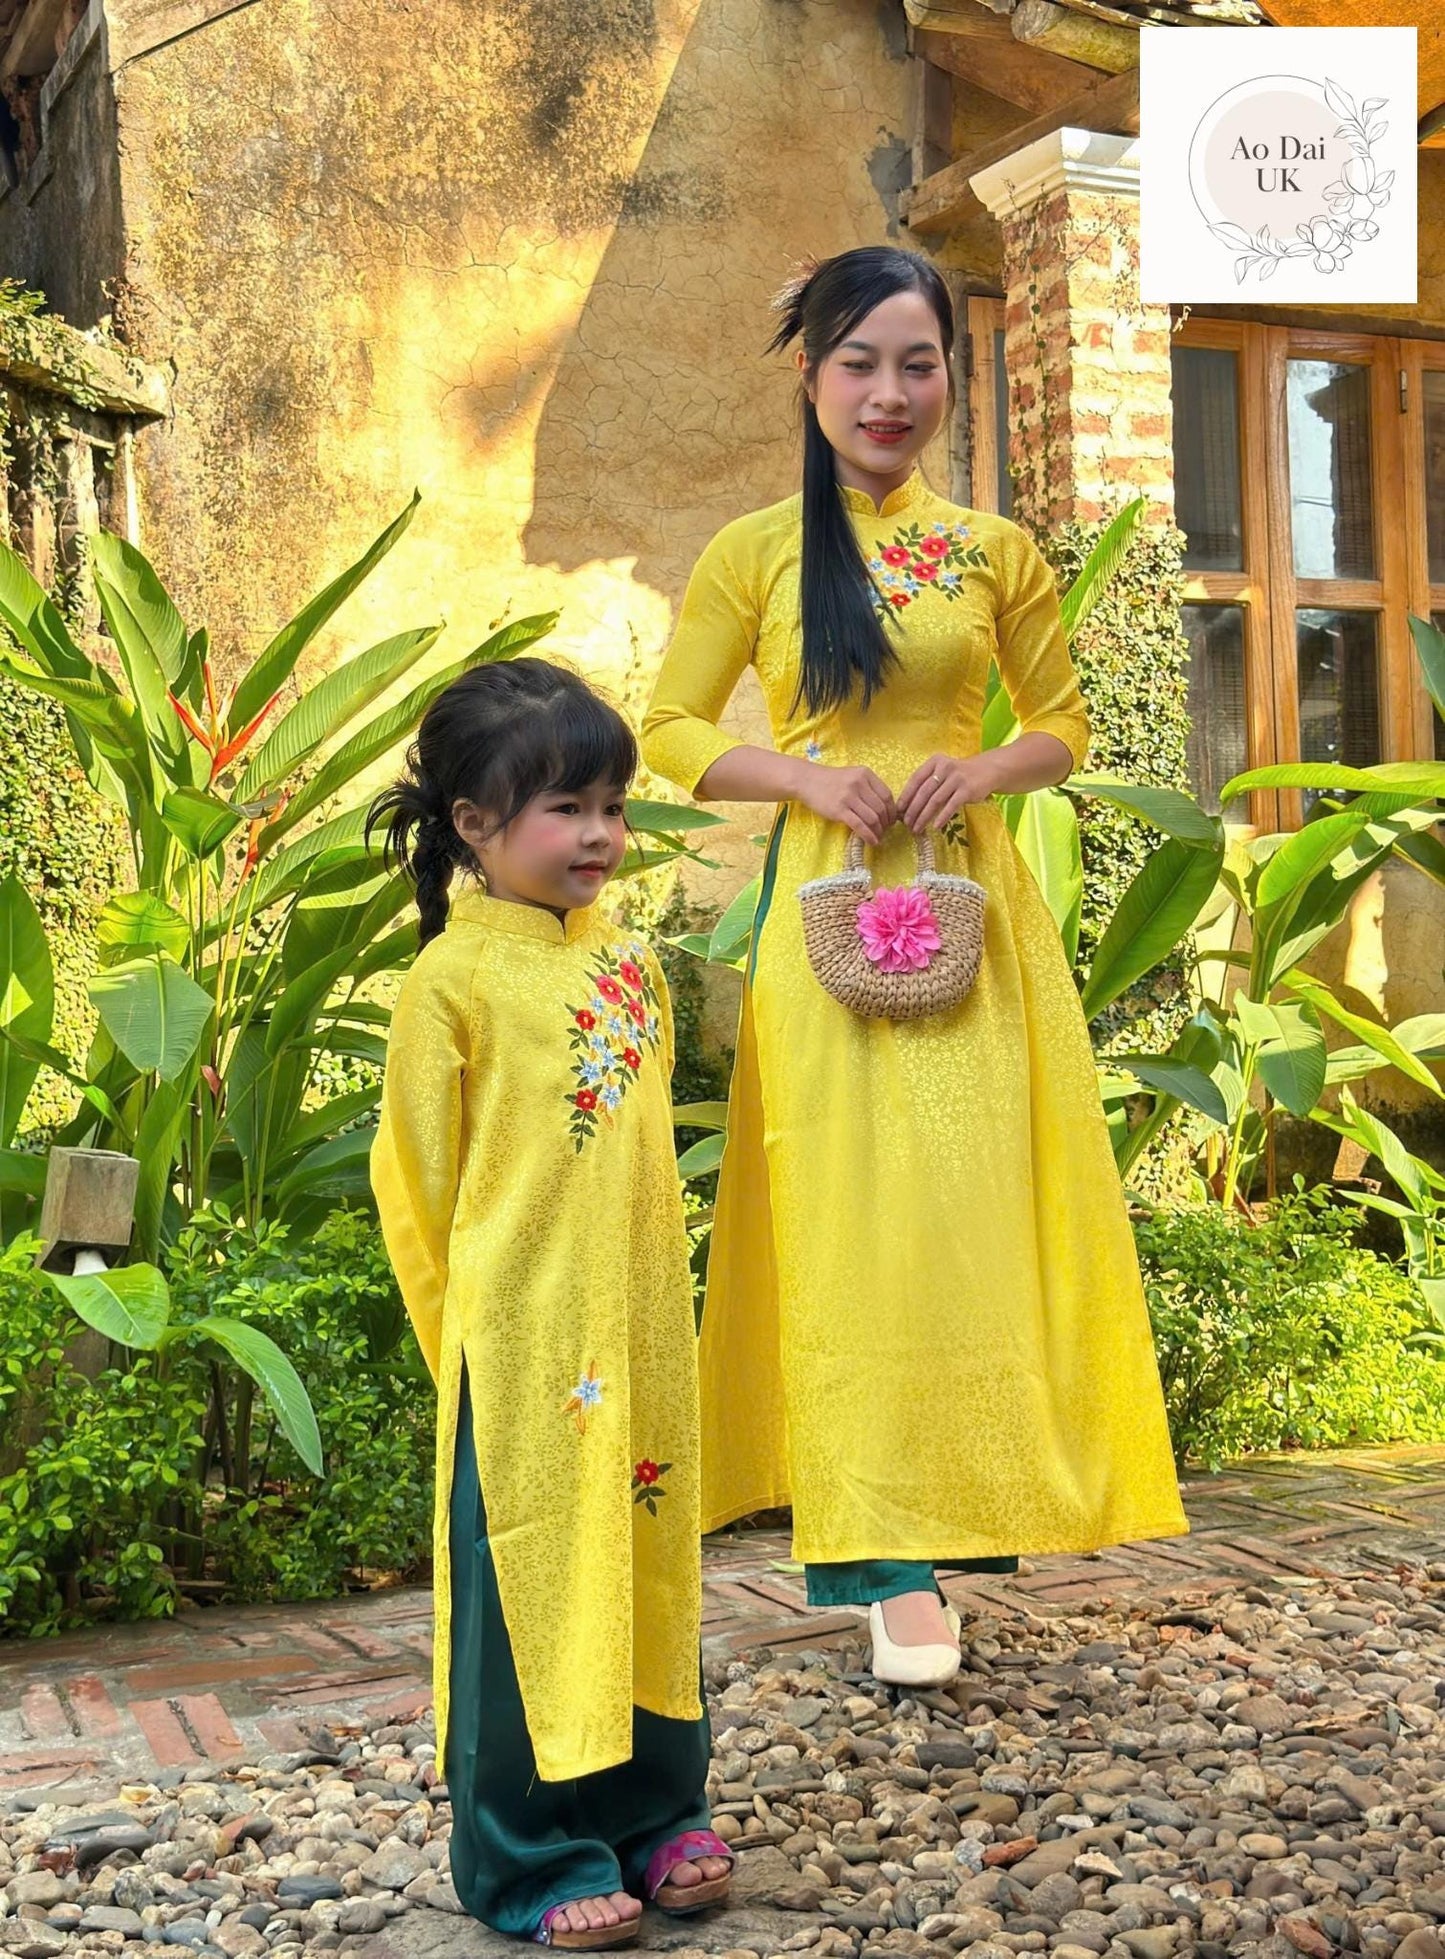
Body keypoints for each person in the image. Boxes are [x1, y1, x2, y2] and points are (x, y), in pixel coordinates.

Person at [641, 246, 1186, 1692]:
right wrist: (805, 779)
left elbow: (1062, 724)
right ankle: (881, 1565)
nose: (888, 393)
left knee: (962, 1217)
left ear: (953, 373)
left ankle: (964, 1511)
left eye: (918, 364)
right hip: (826, 907)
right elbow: (671, 731)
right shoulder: (755, 551)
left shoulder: (994, 550)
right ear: (810, 375)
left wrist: (983, 766)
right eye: (858, 364)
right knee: (847, 1225)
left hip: (968, 900)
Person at [369, 658, 732, 1949]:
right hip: (520, 1351)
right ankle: (525, 1856)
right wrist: (465, 1352)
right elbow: (414, 1190)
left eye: (612, 807)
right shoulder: (452, 983)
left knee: (642, 1562)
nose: (599, 835)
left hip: (636, 1333)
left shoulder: (630, 964)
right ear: (474, 824)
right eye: (566, 808)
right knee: (526, 1582)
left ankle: (655, 1812)